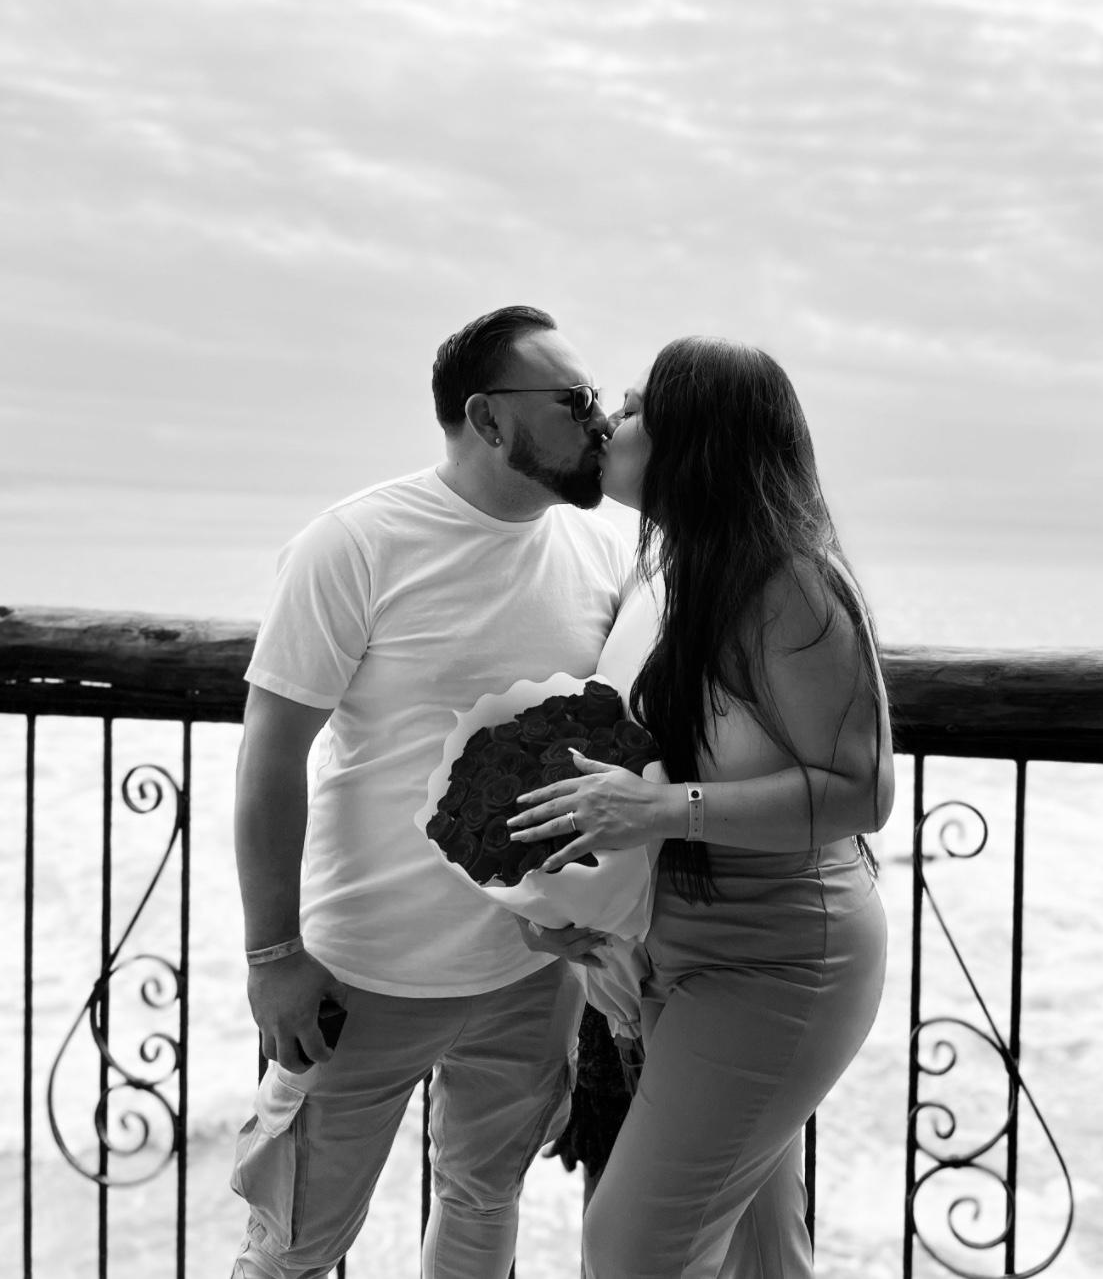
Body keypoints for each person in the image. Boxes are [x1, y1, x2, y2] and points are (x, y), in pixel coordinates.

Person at [229, 305, 629, 1279]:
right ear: (488, 419)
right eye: (575, 401)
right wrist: (273, 956)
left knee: (483, 1207)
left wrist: (601, 912)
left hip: (530, 975)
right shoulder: (355, 544)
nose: (602, 423)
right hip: (361, 976)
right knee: (292, 1246)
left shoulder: (608, 552)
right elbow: (271, 757)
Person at [507, 336, 893, 1278]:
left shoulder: (789, 584)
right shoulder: (665, 575)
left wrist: (660, 813)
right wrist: (578, 918)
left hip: (778, 960)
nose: (610, 422)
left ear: (697, 442)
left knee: (631, 1247)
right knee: (760, 1258)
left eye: (636, 408)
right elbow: (628, 777)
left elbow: (862, 791)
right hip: (676, 948)